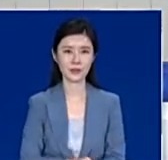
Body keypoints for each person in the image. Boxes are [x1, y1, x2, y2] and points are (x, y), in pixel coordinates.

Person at [20, 18, 125, 160]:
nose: (76, 60)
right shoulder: (39, 103)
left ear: (94, 56)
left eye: (84, 51)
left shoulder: (110, 103)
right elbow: (28, 157)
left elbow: (117, 156)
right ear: (55, 55)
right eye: (68, 51)